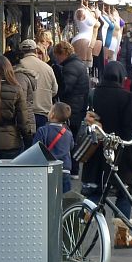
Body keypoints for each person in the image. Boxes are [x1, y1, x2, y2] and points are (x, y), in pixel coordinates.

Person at [81, 61, 132, 248]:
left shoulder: (94, 94)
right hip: (120, 151)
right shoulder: (126, 96)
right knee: (123, 192)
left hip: (97, 149)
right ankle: (122, 236)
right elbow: (131, 128)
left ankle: (84, 219)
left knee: (97, 190)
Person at [51, 40, 90, 171]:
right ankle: (74, 168)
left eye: (57, 55)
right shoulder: (78, 64)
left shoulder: (70, 67)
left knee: (69, 138)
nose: (56, 59)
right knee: (74, 137)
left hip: (72, 107)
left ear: (63, 54)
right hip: (79, 106)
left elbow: (66, 88)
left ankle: (71, 168)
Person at [16, 38, 58, 129]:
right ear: (35, 50)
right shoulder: (47, 68)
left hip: (25, 113)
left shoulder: (18, 67)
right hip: (44, 112)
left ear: (21, 52)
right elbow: (54, 91)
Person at [33, 103, 74, 194]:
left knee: (48, 196)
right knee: (65, 198)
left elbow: (36, 149)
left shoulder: (43, 130)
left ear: (52, 114)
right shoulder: (68, 133)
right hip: (65, 169)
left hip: (48, 168)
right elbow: (71, 147)